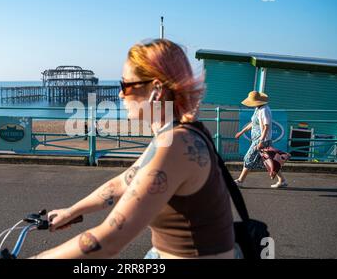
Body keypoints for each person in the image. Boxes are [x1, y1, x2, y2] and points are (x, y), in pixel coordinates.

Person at [30, 39, 235, 259]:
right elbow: (120, 183)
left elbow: (107, 241)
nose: (119, 95)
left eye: (125, 86)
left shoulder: (176, 145)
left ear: (156, 90)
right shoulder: (174, 135)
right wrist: (72, 211)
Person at [234, 91, 287, 188]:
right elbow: (253, 123)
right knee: (268, 160)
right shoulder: (258, 109)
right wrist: (242, 131)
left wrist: (261, 141)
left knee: (248, 158)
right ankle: (282, 180)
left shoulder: (264, 110)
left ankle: (240, 181)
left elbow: (266, 126)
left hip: (261, 140)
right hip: (258, 140)